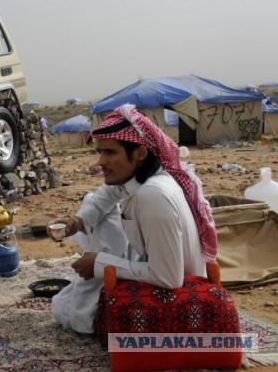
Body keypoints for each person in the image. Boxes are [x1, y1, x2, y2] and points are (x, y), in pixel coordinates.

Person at [48, 104, 217, 334]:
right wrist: (77, 222)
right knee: (103, 213)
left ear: (140, 153)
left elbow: (169, 278)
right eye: (99, 152)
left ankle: (87, 313)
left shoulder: (152, 195)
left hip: (177, 296)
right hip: (160, 272)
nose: (100, 162)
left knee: (70, 307)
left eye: (110, 152)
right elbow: (106, 195)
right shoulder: (139, 181)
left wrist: (99, 264)